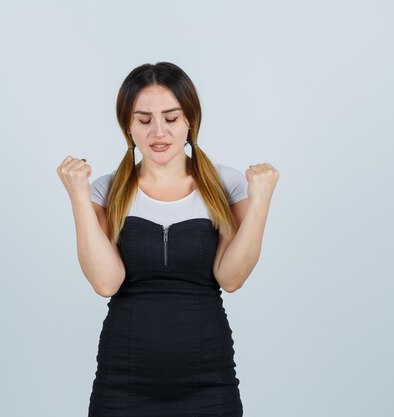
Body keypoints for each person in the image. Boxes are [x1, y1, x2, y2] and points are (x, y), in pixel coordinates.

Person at [56, 62, 279, 417]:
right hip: (122, 386)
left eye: (171, 119)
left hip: (209, 384)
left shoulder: (226, 184)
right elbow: (105, 282)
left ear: (190, 120)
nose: (158, 132)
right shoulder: (107, 189)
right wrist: (79, 197)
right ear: (128, 127)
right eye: (143, 120)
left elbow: (231, 278)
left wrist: (261, 200)